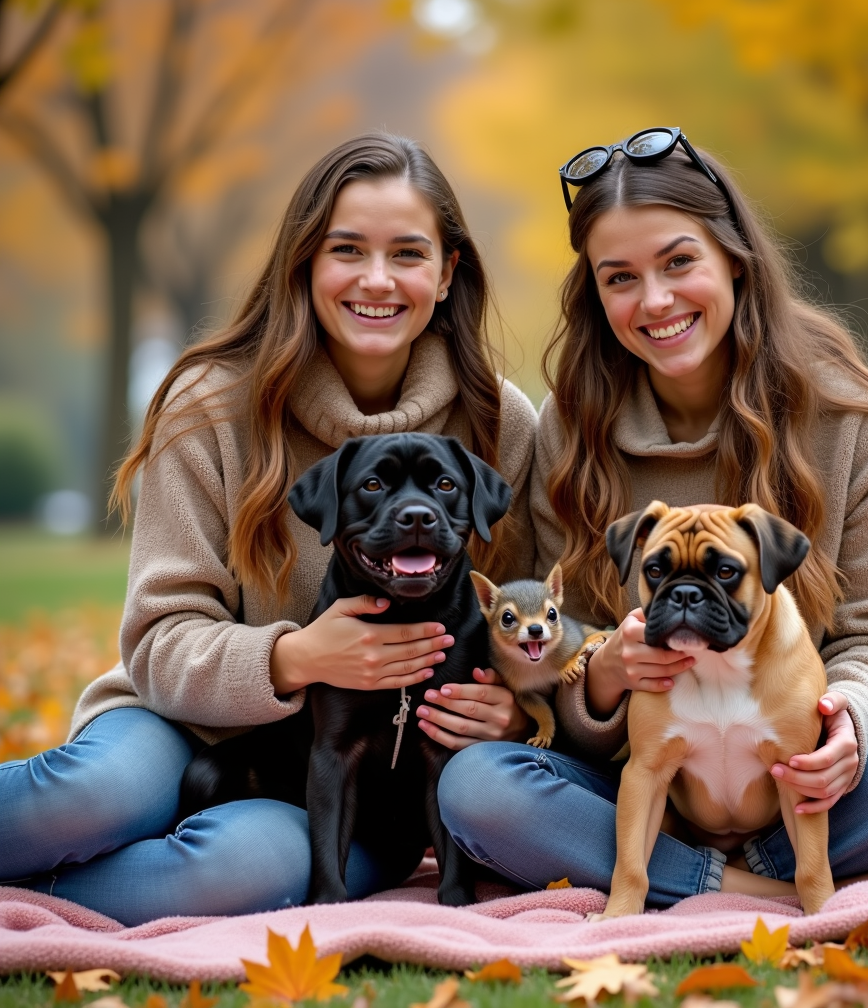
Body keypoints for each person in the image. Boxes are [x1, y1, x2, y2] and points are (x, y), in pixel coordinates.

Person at [438, 128, 868, 906]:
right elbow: (555, 640)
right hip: (650, 794)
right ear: (596, 294)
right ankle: (780, 884)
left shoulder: (848, 418)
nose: (656, 301)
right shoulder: (570, 432)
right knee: (479, 788)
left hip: (802, 780)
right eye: (620, 278)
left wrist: (845, 722)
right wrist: (603, 675)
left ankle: (728, 876)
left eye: (679, 262)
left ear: (734, 259)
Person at [0, 133, 536, 926]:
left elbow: (534, 621)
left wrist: (517, 711)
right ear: (303, 264)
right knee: (84, 798)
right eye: (346, 249)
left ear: (448, 271)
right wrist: (294, 656)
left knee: (246, 867)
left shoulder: (500, 423)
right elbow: (158, 639)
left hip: (356, 782)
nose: (378, 279)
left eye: (409, 254)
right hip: (179, 722)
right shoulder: (212, 403)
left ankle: (48, 891)